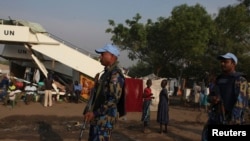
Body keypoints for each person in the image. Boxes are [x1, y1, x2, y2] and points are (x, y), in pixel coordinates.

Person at [201, 52, 248, 141]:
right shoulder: (219, 80)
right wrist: (213, 99)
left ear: (233, 64)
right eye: (221, 62)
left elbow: (241, 104)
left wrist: (233, 121)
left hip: (232, 121)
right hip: (216, 118)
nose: (222, 64)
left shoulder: (240, 80)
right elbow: (210, 97)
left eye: (226, 62)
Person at [83, 44, 125, 141]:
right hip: (98, 119)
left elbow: (113, 100)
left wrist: (95, 113)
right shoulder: (105, 73)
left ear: (112, 56)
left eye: (102, 54)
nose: (100, 57)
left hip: (104, 120)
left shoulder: (115, 74)